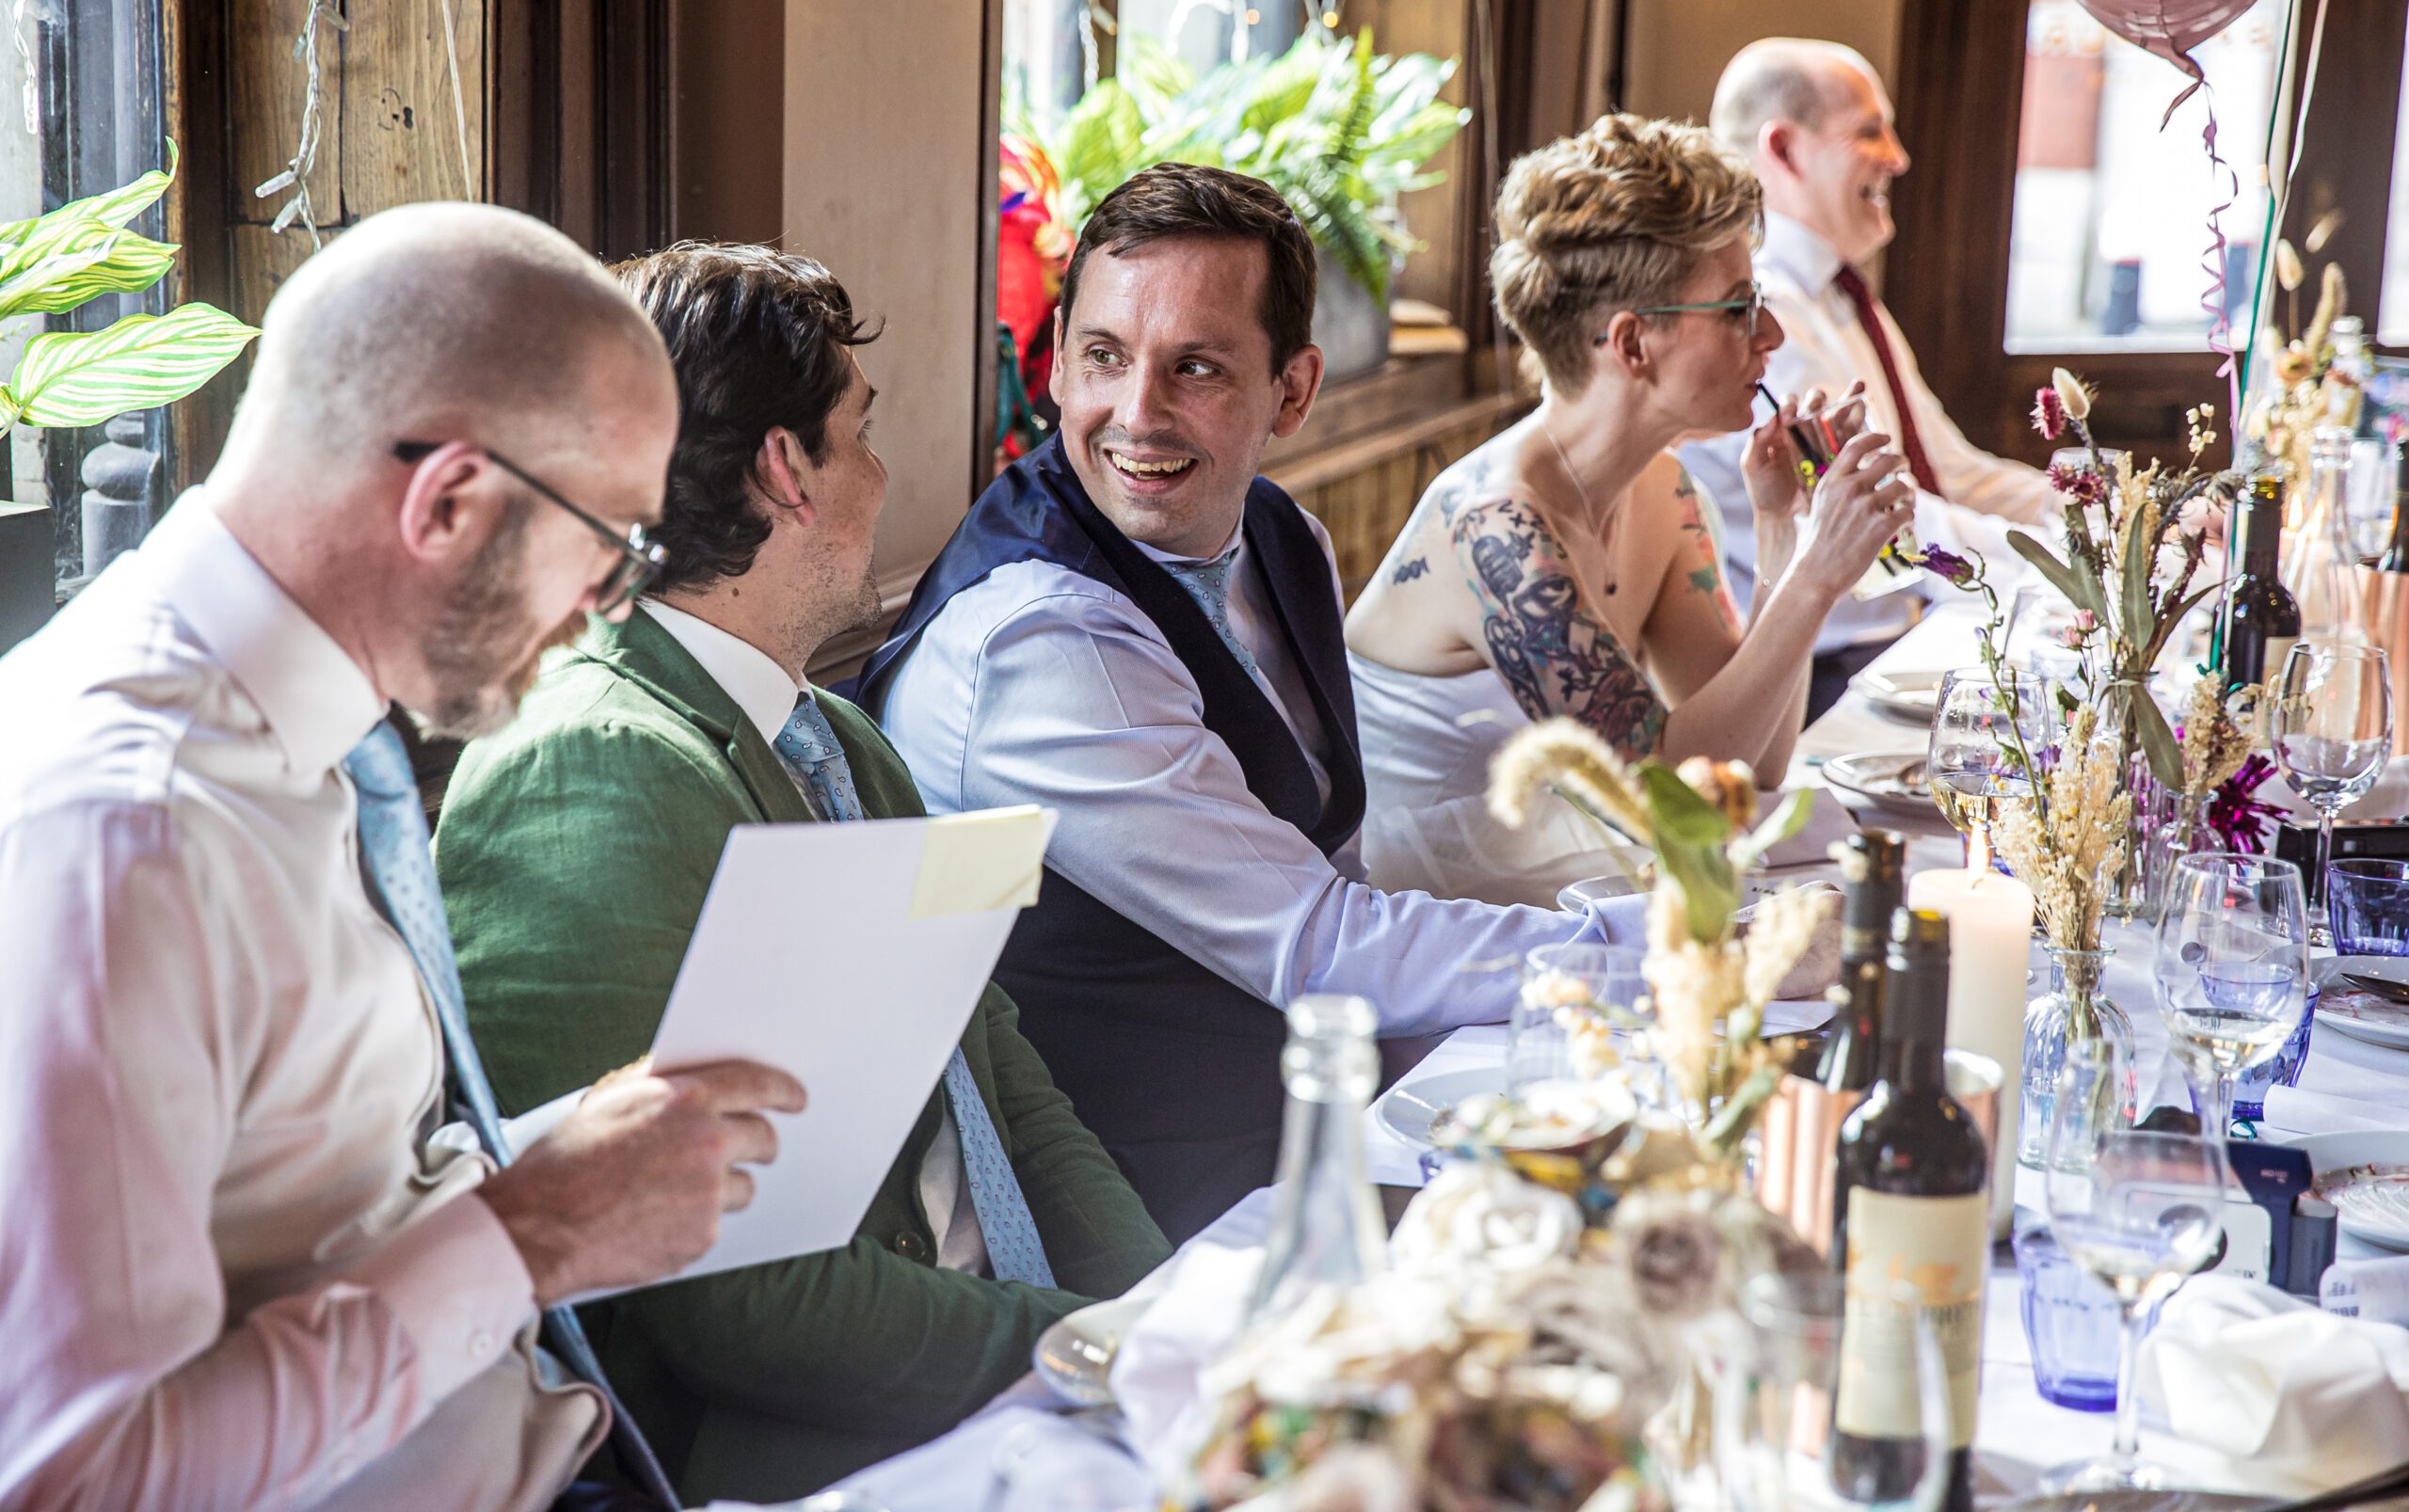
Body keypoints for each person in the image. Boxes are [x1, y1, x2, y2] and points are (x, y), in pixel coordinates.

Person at [0, 203, 806, 1512]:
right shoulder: (126, 839)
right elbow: (80, 1477)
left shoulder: (303, 739)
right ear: (448, 500)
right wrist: (535, 1231)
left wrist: (579, 1161)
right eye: (611, 548)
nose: (611, 608)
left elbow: (313, 1206)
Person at [434, 241, 1171, 1503]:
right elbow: (725, 1295)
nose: (885, 477)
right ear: (786, 469)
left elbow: (1004, 1074)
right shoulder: (593, 765)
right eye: (862, 430)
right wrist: (1091, 1355)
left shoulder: (840, 738)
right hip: (808, 1450)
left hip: (1022, 1369)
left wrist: (1166, 1314)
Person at [853, 164, 1657, 1245]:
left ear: (1293, 390)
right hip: (1123, 1204)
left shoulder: (1280, 538)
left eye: (1195, 368)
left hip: (1303, 1121)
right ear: (1053, 367)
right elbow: (1315, 939)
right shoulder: (1037, 638)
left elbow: (1329, 867)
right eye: (1101, 357)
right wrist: (1647, 952)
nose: (1136, 415)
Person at [1343, 115, 1913, 905]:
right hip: (1440, 939)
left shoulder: (1663, 492)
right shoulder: (1495, 528)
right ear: (1632, 343)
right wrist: (1819, 572)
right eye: (1738, 309)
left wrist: (1783, 528)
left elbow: (1745, 770)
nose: (1772, 335)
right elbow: (1663, 805)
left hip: (1570, 894)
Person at [1686, 38, 2059, 719]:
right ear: (1786, 150)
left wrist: (2101, 520)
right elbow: (1887, 518)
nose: (1898, 156)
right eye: (1868, 131)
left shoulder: (1844, 298)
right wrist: (2061, 572)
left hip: (1892, 642)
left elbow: (1952, 471)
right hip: (1820, 678)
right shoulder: (1770, 314)